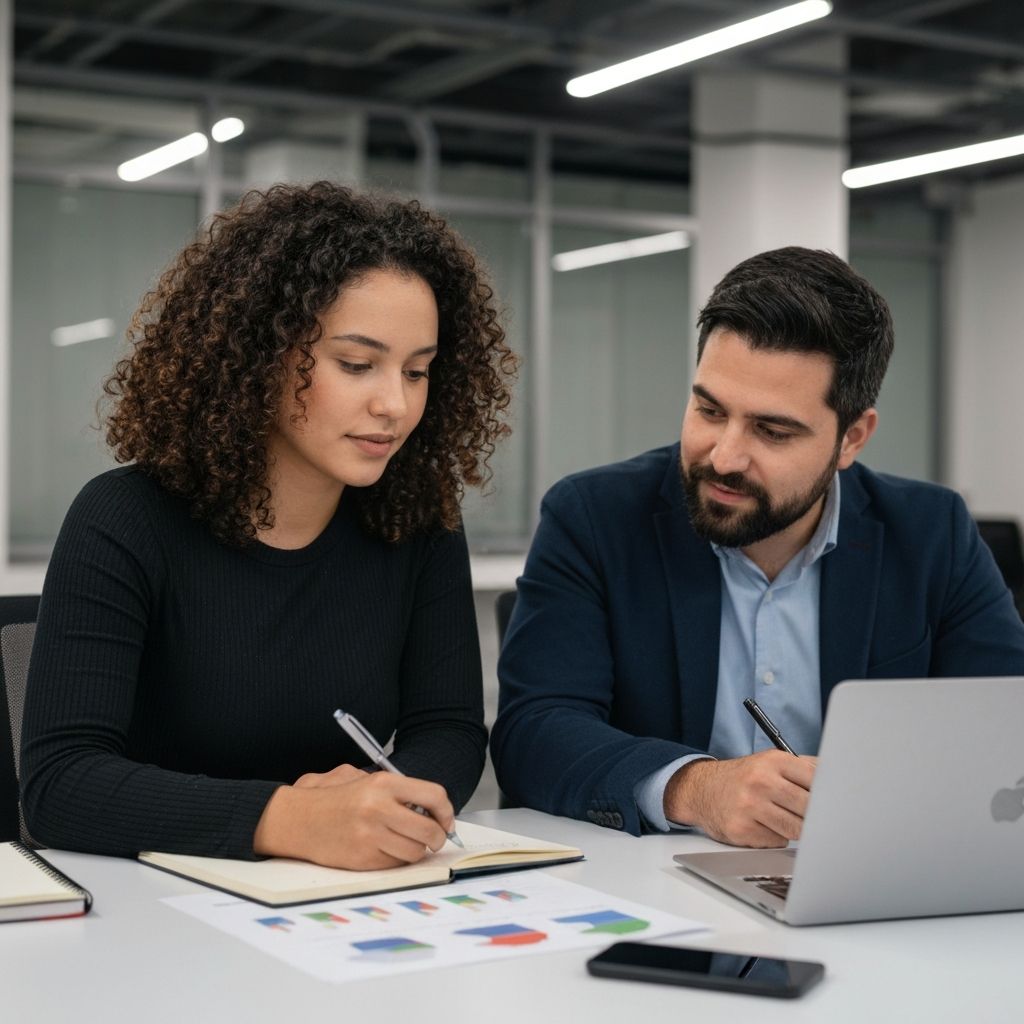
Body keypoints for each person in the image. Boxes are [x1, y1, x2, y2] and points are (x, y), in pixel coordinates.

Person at [21, 181, 517, 870]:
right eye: (357, 364)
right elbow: (61, 784)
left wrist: (389, 805)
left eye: (417, 372)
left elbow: (450, 730)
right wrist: (288, 818)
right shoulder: (125, 519)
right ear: (261, 354)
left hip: (339, 897)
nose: (396, 405)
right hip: (156, 901)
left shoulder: (419, 521)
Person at [491, 246, 1024, 847]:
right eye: (709, 410)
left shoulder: (931, 533)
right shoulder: (595, 518)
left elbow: (1006, 726)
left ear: (851, 438)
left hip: (869, 871)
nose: (725, 457)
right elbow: (534, 734)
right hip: (650, 884)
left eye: (772, 431)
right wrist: (695, 788)